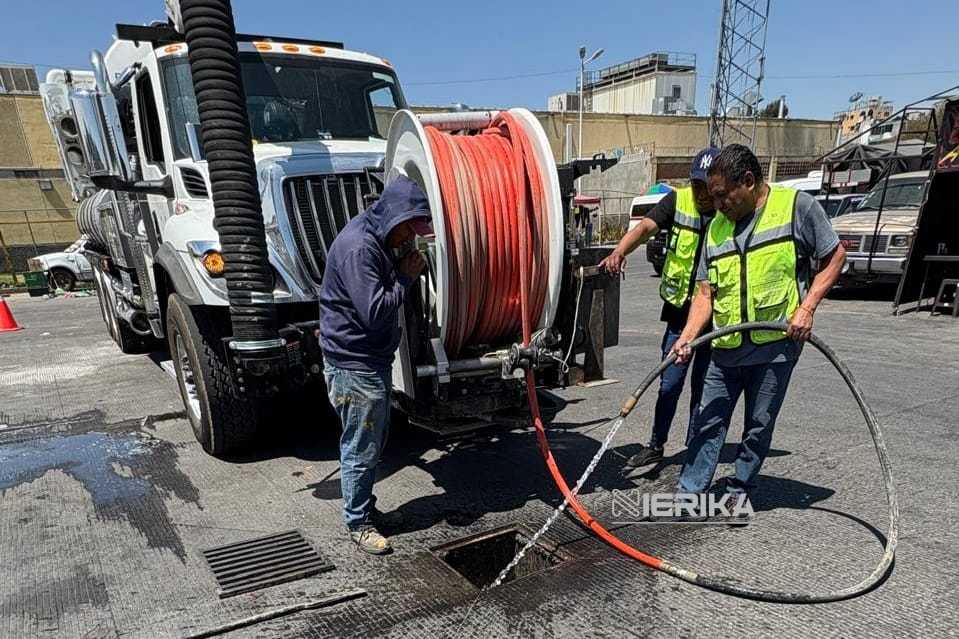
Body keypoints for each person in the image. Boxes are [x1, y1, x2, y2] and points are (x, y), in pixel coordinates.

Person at [670, 144, 846, 516]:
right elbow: (705, 292)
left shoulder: (795, 207)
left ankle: (739, 489)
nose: (717, 205)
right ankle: (690, 492)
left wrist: (807, 307)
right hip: (726, 345)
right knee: (707, 419)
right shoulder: (717, 228)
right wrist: (687, 336)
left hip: (774, 346)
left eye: (722, 196)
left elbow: (834, 256)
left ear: (748, 182)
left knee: (758, 424)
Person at [319, 174, 432, 554]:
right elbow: (375, 311)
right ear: (394, 217)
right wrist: (405, 277)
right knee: (361, 447)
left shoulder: (379, 237)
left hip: (369, 360)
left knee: (372, 442)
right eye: (408, 229)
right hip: (354, 366)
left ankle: (365, 508)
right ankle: (359, 523)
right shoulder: (359, 249)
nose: (410, 238)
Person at [600, 147, 721, 469]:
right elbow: (643, 229)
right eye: (697, 185)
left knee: (704, 390)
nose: (702, 193)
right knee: (669, 385)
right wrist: (619, 252)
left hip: (718, 317)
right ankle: (656, 444)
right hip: (681, 315)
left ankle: (695, 448)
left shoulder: (729, 209)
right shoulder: (677, 201)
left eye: (708, 187)